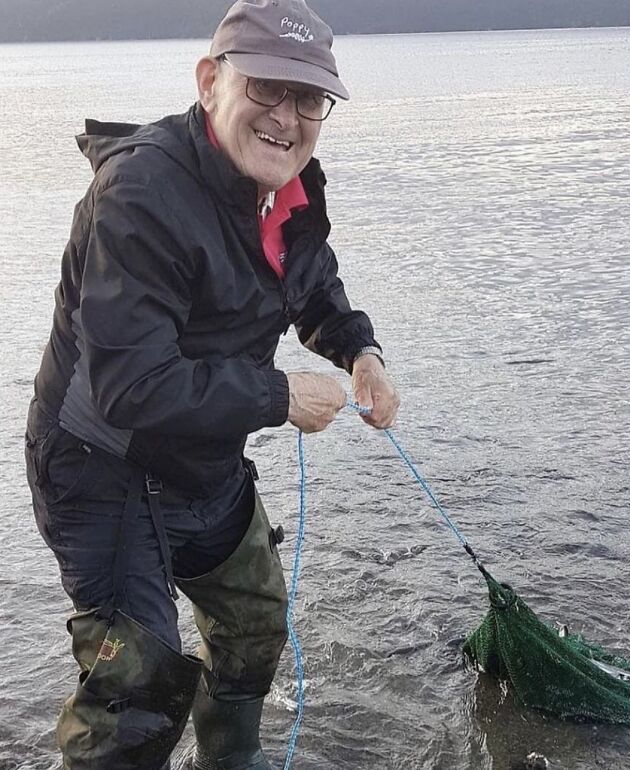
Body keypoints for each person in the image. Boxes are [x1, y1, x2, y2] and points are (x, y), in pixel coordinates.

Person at [24, 0, 400, 767]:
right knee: (136, 701)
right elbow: (132, 385)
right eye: (266, 87)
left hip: (202, 459)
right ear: (209, 82)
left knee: (255, 623)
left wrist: (360, 351)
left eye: (308, 99)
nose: (286, 117)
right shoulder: (140, 194)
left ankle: (230, 760)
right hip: (103, 468)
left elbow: (313, 285)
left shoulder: (290, 187)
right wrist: (280, 396)